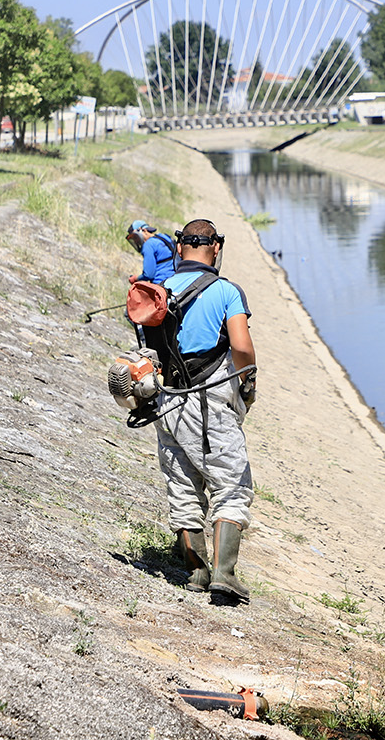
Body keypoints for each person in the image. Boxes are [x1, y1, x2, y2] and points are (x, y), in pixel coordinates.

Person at [150, 219, 257, 601]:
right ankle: (224, 574)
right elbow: (241, 346)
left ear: (180, 249)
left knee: (182, 483)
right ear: (215, 248)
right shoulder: (227, 291)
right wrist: (249, 380)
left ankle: (196, 572)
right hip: (209, 402)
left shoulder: (159, 290)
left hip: (165, 399)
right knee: (232, 484)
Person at [126, 219, 177, 283]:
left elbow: (148, 274)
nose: (136, 241)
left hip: (161, 284)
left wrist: (136, 278)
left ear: (143, 230)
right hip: (176, 280)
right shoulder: (165, 237)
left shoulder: (148, 245)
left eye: (135, 237)